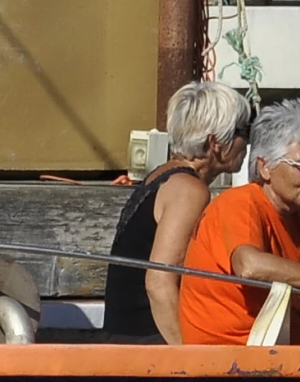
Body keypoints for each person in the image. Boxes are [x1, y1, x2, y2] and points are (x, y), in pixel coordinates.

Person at [178, 101, 300, 346]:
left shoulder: (297, 222)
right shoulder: (240, 203)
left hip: (279, 358)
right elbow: (249, 265)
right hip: (227, 363)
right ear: (265, 168)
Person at [103, 81, 251, 343]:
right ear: (216, 142)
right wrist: (189, 359)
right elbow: (159, 283)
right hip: (148, 342)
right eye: (243, 130)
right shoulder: (188, 191)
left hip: (127, 335)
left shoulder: (162, 176)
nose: (247, 141)